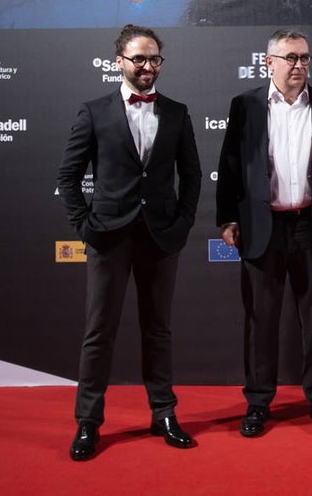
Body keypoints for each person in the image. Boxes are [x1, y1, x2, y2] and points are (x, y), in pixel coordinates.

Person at [57, 24, 202, 461]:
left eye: (154, 58)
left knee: (158, 330)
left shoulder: (176, 112)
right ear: (118, 61)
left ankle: (163, 414)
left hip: (160, 236)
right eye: (139, 58)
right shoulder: (94, 111)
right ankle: (88, 422)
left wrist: (183, 223)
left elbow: (192, 176)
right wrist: (86, 225)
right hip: (108, 235)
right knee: (99, 331)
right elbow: (68, 175)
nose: (147, 66)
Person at [216, 29, 312, 438]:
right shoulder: (244, 106)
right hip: (264, 229)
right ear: (270, 63)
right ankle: (258, 403)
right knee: (261, 322)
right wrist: (227, 217)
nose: (299, 65)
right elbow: (229, 166)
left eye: (305, 58)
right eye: (291, 58)